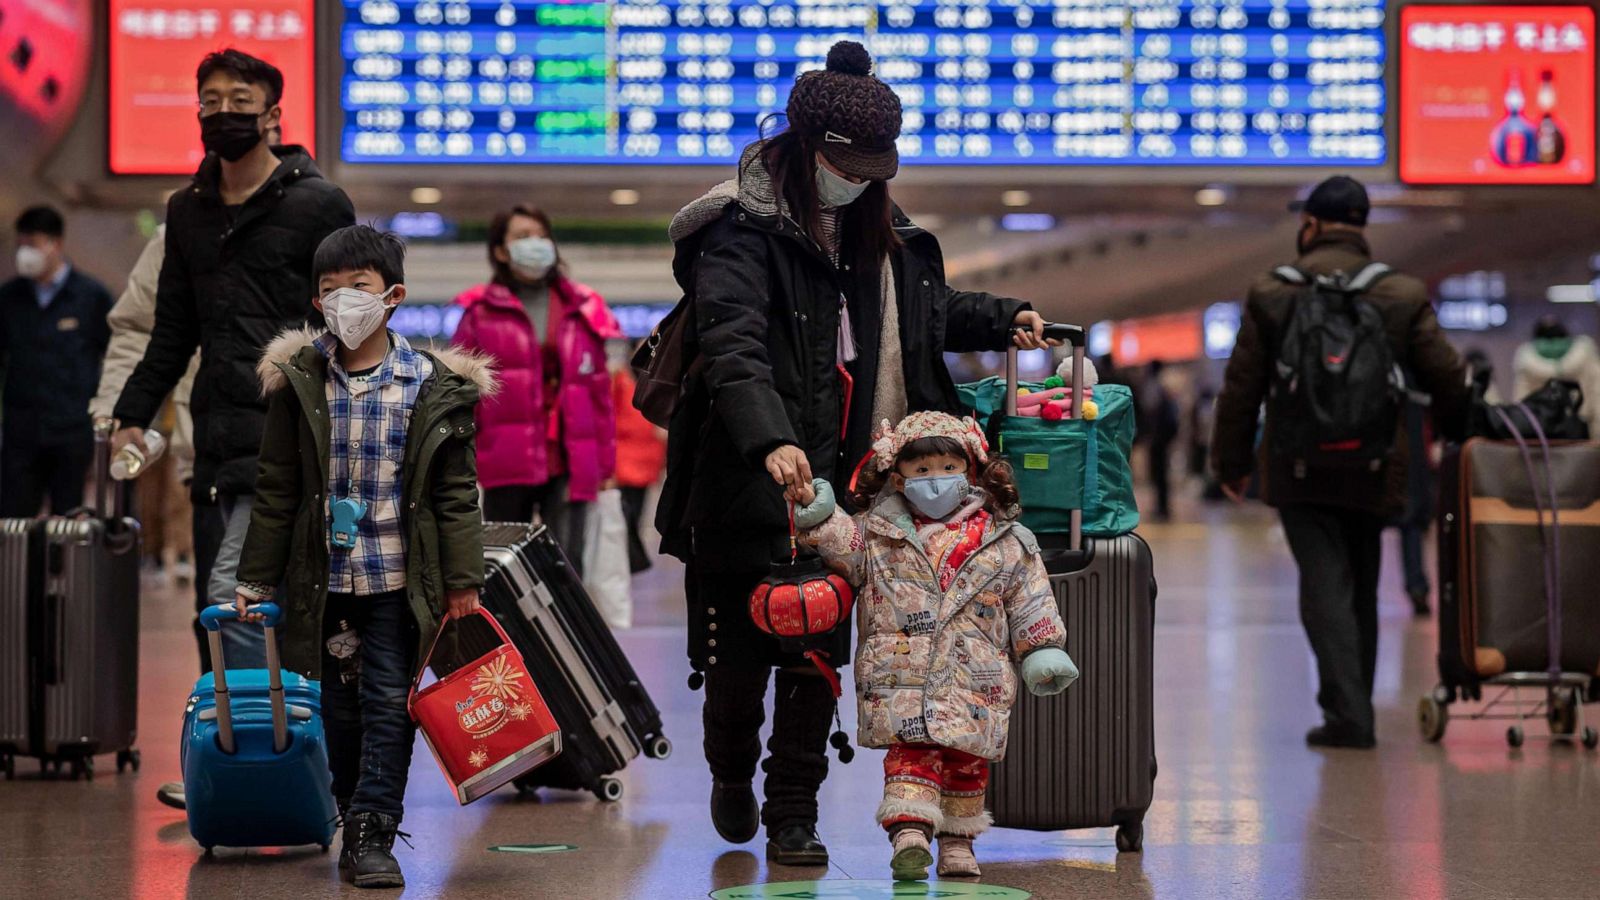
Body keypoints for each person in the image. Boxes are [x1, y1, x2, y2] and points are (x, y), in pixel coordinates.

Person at [657, 40, 1055, 866]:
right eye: (850, 164)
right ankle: (731, 770)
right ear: (806, 148)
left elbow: (928, 313)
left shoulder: (884, 238)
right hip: (743, 479)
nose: (863, 180)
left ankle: (793, 812)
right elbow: (734, 348)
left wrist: (1004, 314)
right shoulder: (741, 233)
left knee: (816, 654)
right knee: (737, 661)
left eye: (878, 167)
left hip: (849, 483)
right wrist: (770, 441)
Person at [233, 225, 492, 889]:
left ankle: (374, 829)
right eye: (330, 290)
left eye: (360, 288)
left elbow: (456, 493)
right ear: (315, 303)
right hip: (324, 580)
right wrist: (258, 579)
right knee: (337, 707)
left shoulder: (431, 386)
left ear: (394, 296)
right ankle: (351, 811)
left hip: (397, 580)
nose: (344, 300)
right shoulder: (300, 382)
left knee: (387, 702)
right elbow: (277, 490)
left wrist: (463, 579)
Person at [110, 48, 355, 678]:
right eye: (210, 102)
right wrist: (132, 414)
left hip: (291, 439)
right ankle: (229, 763)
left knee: (235, 597)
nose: (223, 114)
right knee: (212, 609)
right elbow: (173, 330)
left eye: (239, 103)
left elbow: (352, 321)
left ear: (272, 114)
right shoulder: (188, 211)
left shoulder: (318, 205)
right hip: (214, 442)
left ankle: (264, 757)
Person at [1211, 176, 1468, 749]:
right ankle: (1356, 706)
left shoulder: (1274, 292)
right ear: (1361, 227)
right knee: (1364, 579)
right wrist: (1462, 437)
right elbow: (1446, 376)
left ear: (1310, 226)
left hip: (1298, 464)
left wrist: (1230, 465)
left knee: (1323, 580)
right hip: (1377, 462)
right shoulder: (1399, 293)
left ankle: (1348, 713)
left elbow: (1241, 387)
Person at [792, 412, 1076, 880]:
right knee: (910, 754)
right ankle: (910, 833)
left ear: (970, 471)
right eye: (921, 471)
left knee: (967, 761)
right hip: (903, 677)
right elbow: (844, 546)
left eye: (948, 467)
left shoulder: (1004, 539)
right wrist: (819, 513)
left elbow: (1029, 596)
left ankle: (958, 842)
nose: (935, 480)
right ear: (898, 479)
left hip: (974, 678)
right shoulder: (878, 534)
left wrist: (1042, 646)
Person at [452, 205, 621, 572]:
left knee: (565, 567)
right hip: (504, 459)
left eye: (542, 235)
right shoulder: (478, 312)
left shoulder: (582, 308)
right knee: (502, 566)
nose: (536, 243)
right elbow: (461, 396)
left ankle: (567, 631)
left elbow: (599, 394)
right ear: (500, 250)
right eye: (523, 236)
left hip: (569, 458)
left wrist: (606, 465)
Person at [0, 205, 113, 516]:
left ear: (55, 244)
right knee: (16, 522)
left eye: (32, 245)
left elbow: (115, 354)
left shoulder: (90, 297)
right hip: (21, 433)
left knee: (69, 518)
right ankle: (21, 568)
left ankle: (62, 567)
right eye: (21, 245)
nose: (25, 253)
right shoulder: (9, 299)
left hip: (71, 431)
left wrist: (107, 410)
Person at [611, 363, 666, 573]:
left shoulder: (655, 381)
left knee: (634, 518)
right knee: (627, 517)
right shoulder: (620, 379)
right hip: (625, 463)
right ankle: (627, 561)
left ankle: (628, 561)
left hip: (645, 464)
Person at [1513, 316, 1600, 435]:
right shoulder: (1585, 354)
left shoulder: (1525, 360)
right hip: (1581, 427)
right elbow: (1596, 393)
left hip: (1539, 429)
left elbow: (1521, 400)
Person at [1139, 359, 1180, 521]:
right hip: (1162, 438)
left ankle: (1162, 508)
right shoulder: (1163, 387)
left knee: (1159, 474)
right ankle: (1162, 507)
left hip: (1158, 439)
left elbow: (1150, 413)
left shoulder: (1154, 387)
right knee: (1161, 474)